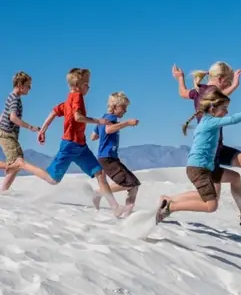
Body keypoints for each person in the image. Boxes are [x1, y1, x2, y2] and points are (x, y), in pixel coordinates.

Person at [172, 62, 241, 225]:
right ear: (220, 79)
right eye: (227, 81)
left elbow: (183, 93)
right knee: (212, 201)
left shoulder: (199, 90)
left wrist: (180, 78)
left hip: (212, 146)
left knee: (232, 180)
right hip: (213, 149)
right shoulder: (211, 92)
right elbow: (225, 108)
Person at [25, 68, 133, 217]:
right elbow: (78, 117)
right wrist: (98, 121)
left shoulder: (70, 98)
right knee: (52, 179)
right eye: (86, 84)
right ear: (77, 84)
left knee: (99, 173)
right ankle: (21, 164)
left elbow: (54, 112)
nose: (89, 87)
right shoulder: (77, 97)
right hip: (69, 145)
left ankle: (115, 207)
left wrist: (43, 130)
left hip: (81, 146)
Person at [90, 92, 141, 211]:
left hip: (107, 157)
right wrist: (127, 123)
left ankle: (128, 212)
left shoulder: (103, 118)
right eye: (123, 107)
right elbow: (108, 129)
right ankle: (99, 192)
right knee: (131, 184)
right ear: (114, 107)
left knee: (134, 185)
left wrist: (102, 134)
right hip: (108, 158)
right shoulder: (111, 119)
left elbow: (93, 136)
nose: (125, 111)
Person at [0, 72, 42, 191]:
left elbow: (4, 113)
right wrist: (31, 127)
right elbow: (12, 117)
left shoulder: (12, 97)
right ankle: (3, 192)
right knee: (17, 162)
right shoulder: (14, 99)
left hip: (7, 134)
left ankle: (3, 190)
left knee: (17, 161)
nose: (30, 88)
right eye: (28, 85)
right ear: (20, 85)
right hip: (7, 135)